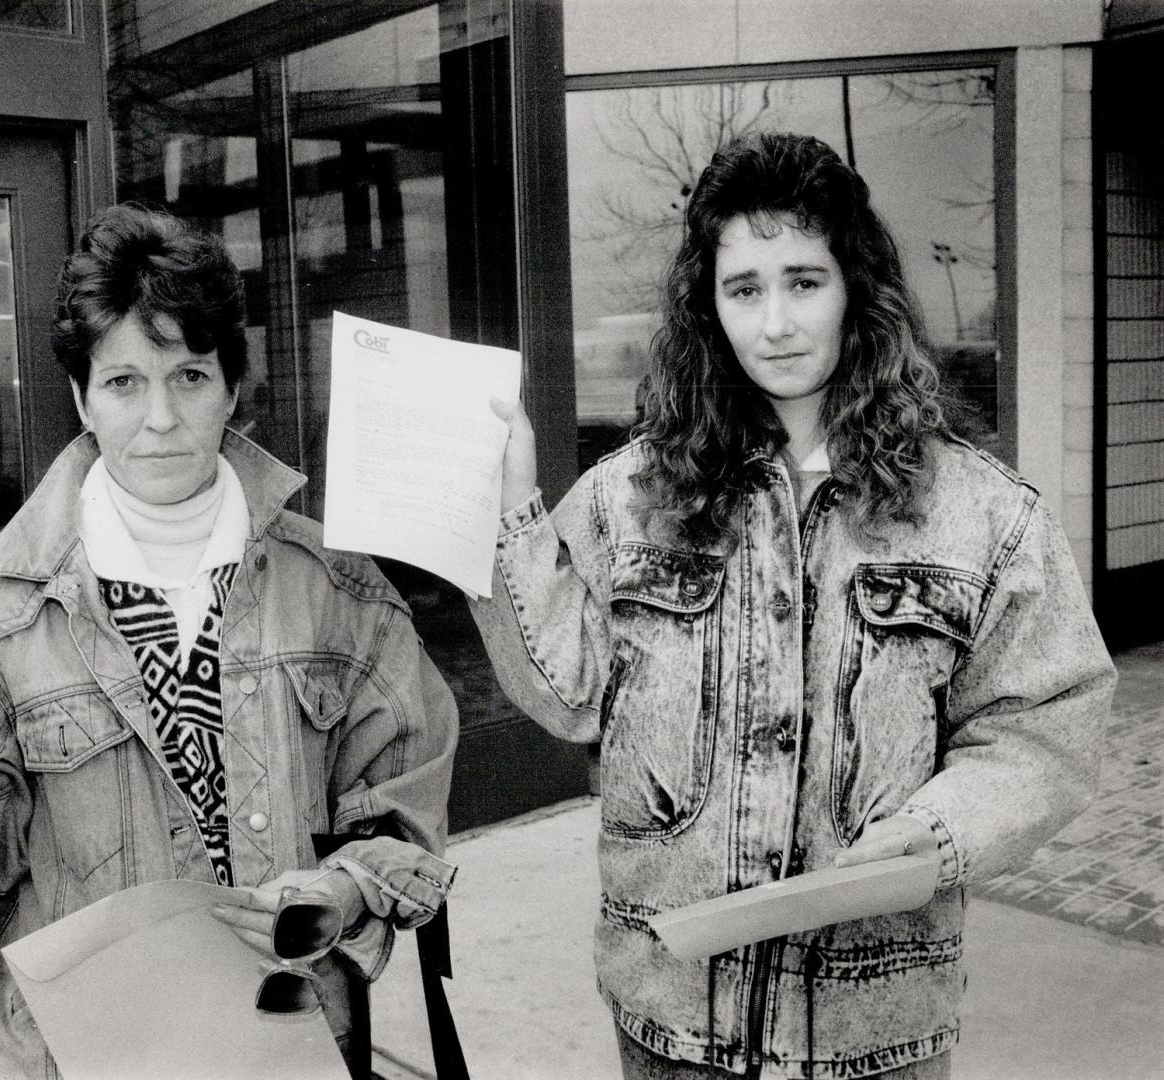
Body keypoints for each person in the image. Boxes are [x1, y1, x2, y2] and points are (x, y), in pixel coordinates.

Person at [472, 132, 1115, 1080]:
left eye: (803, 281)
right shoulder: (630, 497)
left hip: (875, 1029)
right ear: (709, 305)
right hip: (673, 1017)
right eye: (744, 289)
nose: (775, 322)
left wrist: (941, 833)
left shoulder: (983, 515)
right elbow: (564, 693)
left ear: (855, 287)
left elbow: (1045, 726)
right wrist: (512, 514)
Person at [0, 203, 459, 1080]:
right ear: (80, 398)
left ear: (233, 387)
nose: (162, 419)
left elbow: (407, 806)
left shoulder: (335, 587)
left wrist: (344, 888)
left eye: (190, 376)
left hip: (288, 1041)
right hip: (80, 1055)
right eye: (124, 382)